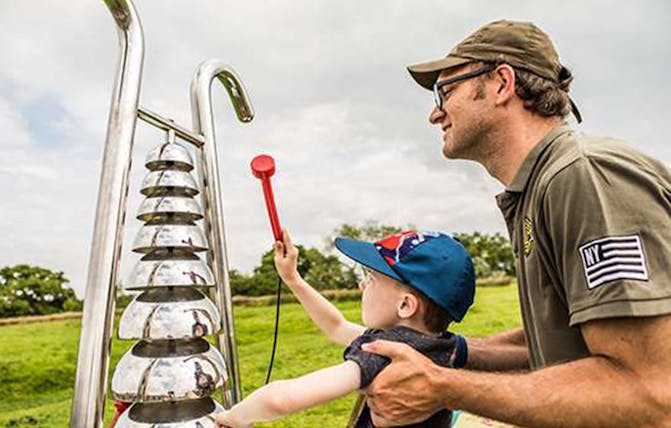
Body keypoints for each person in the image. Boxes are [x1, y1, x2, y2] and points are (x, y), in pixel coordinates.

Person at [358, 19, 671, 427]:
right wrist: (448, 351)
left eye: (445, 91)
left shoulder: (581, 177)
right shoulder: (540, 188)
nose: (436, 114)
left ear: (502, 83)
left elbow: (650, 388)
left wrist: (444, 386)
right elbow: (564, 340)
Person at [214, 229, 476, 427]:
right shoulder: (444, 346)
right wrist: (293, 279)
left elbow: (280, 400)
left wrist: (231, 418)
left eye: (371, 280)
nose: (362, 286)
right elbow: (336, 326)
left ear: (406, 306)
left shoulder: (383, 353)